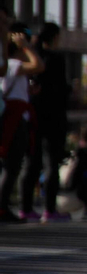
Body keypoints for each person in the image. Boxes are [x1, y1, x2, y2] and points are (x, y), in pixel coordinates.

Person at [24, 23, 71, 221]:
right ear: (54, 37)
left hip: (33, 115)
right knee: (51, 163)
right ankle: (49, 209)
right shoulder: (56, 59)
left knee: (31, 164)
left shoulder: (30, 57)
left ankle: (25, 208)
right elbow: (62, 89)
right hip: (53, 117)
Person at [0, 24, 43, 222]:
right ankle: (2, 205)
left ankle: (4, 204)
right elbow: (39, 65)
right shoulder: (13, 64)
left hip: (15, 115)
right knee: (12, 164)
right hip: (15, 118)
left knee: (12, 164)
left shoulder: (9, 65)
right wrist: (26, 46)